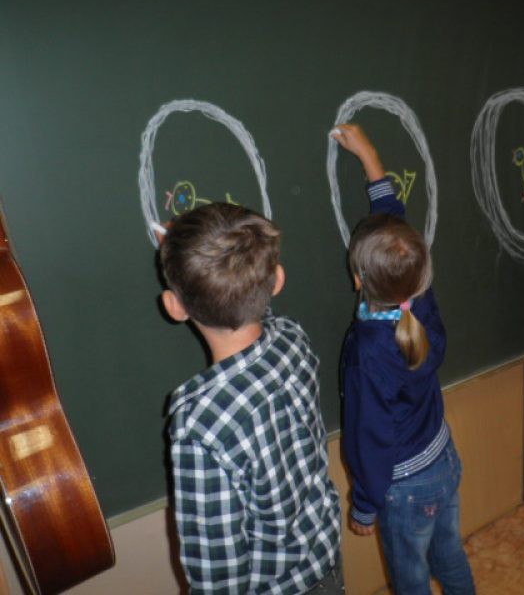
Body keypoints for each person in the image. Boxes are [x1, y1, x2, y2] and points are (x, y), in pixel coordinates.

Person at [158, 203, 342, 593]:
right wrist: (203, 254)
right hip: (324, 562)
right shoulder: (292, 339)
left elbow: (217, 577)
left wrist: (192, 263)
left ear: (174, 307)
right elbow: (260, 313)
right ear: (277, 281)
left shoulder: (200, 428)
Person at [331, 124, 475, 594]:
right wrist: (369, 157)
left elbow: (370, 435)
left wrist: (364, 504)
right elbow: (394, 227)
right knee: (449, 555)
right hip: (441, 457)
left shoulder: (369, 352)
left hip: (405, 483)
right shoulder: (418, 298)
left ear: (358, 280)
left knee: (410, 579)